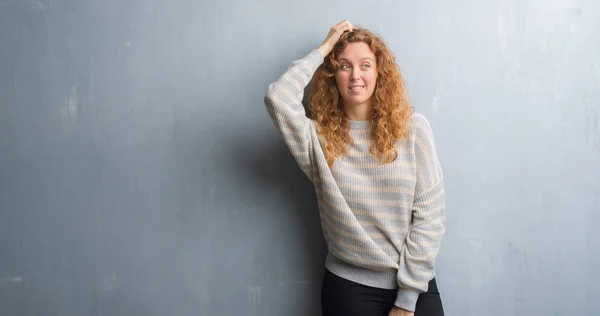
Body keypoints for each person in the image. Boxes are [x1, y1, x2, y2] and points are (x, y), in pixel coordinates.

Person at [264, 20, 446, 316]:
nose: (355, 76)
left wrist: (408, 298)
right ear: (332, 74)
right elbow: (278, 97)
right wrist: (324, 49)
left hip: (414, 284)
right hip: (348, 287)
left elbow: (431, 215)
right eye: (344, 66)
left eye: (365, 65)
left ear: (379, 73)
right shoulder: (317, 140)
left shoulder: (414, 130)